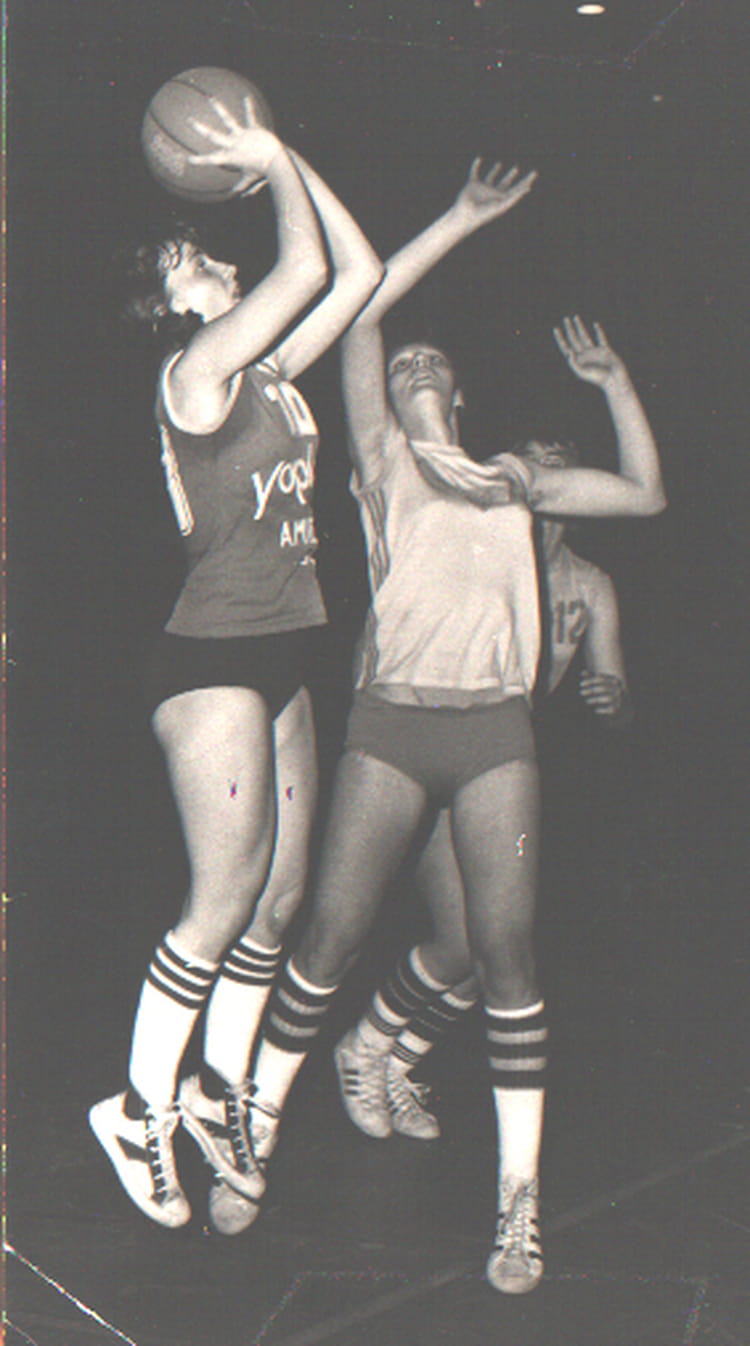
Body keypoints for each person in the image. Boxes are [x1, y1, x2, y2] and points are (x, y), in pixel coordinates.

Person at [206, 160, 666, 1296]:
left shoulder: (514, 479)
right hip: (393, 729)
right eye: (404, 363)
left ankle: (518, 1206)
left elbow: (647, 495)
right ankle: (251, 1130)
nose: (413, 365)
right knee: (327, 934)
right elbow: (364, 306)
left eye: (433, 364)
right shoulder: (383, 461)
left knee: (502, 953)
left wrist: (614, 384)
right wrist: (459, 218)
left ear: (458, 395)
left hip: (497, 735)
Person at [89, 99, 383, 1231]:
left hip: (284, 647)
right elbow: (302, 265)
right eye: (190, 257)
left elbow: (354, 274)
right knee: (219, 900)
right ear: (172, 302)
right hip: (210, 654)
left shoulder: (267, 374)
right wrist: (265, 156)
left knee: (280, 899)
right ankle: (137, 1111)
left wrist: (285, 155)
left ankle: (218, 1091)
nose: (214, 256)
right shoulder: (197, 371)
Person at [336, 438, 635, 1156]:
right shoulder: (464, 539)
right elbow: (377, 644)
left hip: (505, 758)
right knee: (465, 944)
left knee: (485, 953)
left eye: (558, 457)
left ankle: (389, 1054)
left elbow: (620, 702)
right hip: (422, 742)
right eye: (529, 454)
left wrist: (614, 699)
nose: (542, 464)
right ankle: (367, 1047)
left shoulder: (590, 585)